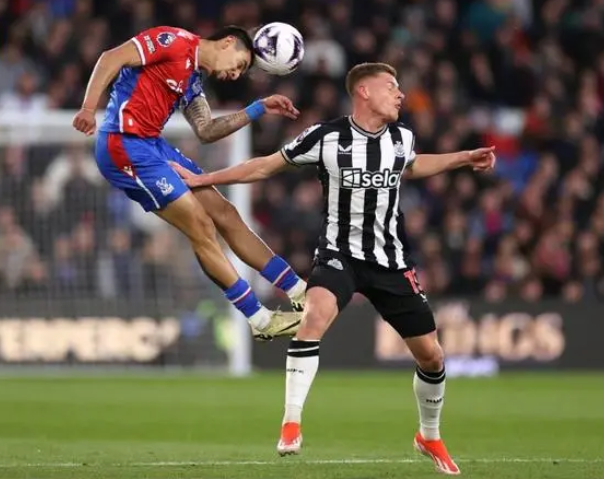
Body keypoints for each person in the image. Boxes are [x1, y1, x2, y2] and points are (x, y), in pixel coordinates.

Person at [171, 62, 497, 475]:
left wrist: (463, 158)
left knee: (431, 356)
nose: (400, 94)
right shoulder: (326, 137)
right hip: (338, 254)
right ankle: (291, 423)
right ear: (364, 91)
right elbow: (265, 166)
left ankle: (428, 435)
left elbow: (413, 165)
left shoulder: (402, 138)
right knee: (313, 318)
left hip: (390, 261)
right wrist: (204, 180)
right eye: (391, 86)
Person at [72, 25, 306, 340]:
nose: (235, 74)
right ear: (227, 42)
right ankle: (260, 318)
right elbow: (110, 57)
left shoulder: (192, 79)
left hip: (152, 144)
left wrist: (258, 108)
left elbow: (206, 130)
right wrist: (88, 108)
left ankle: (298, 290)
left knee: (225, 212)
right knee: (200, 225)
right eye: (239, 64)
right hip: (122, 143)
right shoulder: (172, 41)